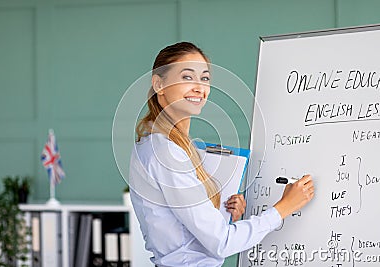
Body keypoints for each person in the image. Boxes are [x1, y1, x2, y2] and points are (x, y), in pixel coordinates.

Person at [129, 42, 314, 267]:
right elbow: (221, 242)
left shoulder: (162, 145)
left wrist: (222, 214)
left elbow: (182, 228)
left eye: (204, 78)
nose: (199, 87)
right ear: (160, 84)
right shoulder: (166, 153)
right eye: (187, 77)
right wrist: (285, 207)